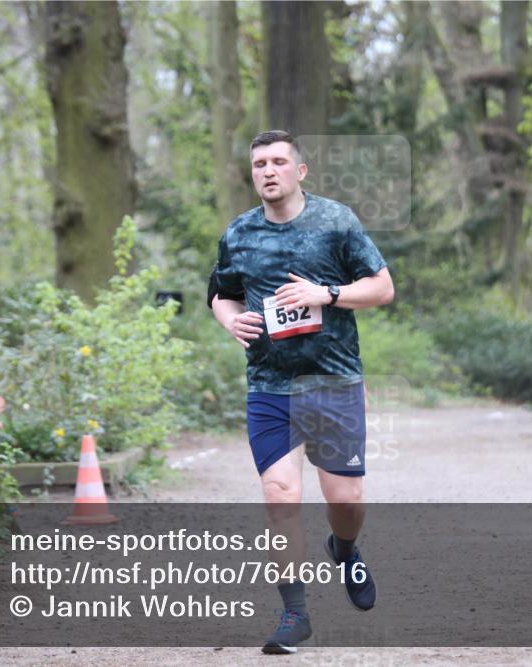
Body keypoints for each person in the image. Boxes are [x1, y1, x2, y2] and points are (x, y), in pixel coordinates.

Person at [210, 130, 394, 654]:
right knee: (280, 496)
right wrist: (231, 321)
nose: (268, 171)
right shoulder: (239, 233)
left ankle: (345, 547)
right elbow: (221, 294)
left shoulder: (336, 221)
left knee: (346, 500)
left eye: (278, 162)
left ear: (300, 170)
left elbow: (382, 287)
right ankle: (294, 614)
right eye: (259, 164)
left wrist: (326, 293)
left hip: (333, 384)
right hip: (270, 388)